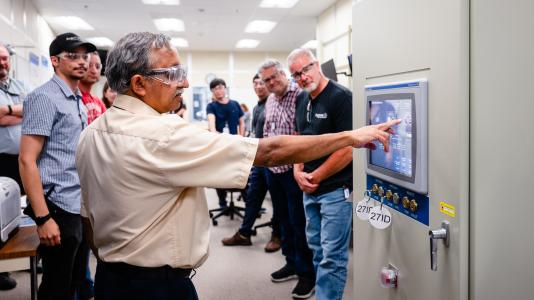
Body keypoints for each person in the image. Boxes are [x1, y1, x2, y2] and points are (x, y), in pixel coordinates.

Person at [74, 32, 398, 300]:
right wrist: (350, 137)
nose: (183, 84)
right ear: (139, 84)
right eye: (172, 74)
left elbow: (89, 219)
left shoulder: (90, 135)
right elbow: (269, 151)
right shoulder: (163, 134)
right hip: (156, 287)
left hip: (110, 279)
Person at [19, 32, 96, 300]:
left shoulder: (76, 99)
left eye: (85, 56)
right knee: (57, 286)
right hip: (57, 206)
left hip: (77, 203)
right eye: (72, 56)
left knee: (75, 279)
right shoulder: (45, 98)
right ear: (54, 61)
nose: (82, 62)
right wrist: (43, 218)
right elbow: (27, 160)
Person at [288, 48, 353, 300]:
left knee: (332, 257)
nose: (303, 77)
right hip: (309, 189)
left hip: (335, 190)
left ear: (317, 65)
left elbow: (349, 147)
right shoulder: (301, 99)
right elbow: (300, 140)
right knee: (316, 249)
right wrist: (297, 170)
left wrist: (317, 176)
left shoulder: (341, 97)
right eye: (296, 75)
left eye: (306, 69)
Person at [258, 58, 316, 299]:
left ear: (283, 74)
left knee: (299, 223)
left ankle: (307, 274)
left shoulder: (301, 95)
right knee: (282, 221)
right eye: (266, 80)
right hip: (274, 172)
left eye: (274, 77)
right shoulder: (270, 99)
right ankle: (291, 262)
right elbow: (268, 131)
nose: (271, 83)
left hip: (294, 172)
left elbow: (305, 134)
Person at [221, 74, 281, 253]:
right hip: (259, 161)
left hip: (274, 161)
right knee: (253, 197)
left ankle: (277, 235)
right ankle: (244, 233)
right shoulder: (256, 108)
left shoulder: (274, 104)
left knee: (277, 201)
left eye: (262, 83)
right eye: (255, 83)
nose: (259, 86)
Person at [77, 50, 106, 300]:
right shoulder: (77, 99)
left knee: (88, 243)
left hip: (96, 178)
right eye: (90, 64)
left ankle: (87, 288)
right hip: (76, 179)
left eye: (98, 65)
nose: (94, 68)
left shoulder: (97, 102)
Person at [0, 42, 28, 291]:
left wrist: (5, 112)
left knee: (16, 212)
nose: (2, 63)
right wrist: (18, 112)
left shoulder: (18, 86)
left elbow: (30, 110)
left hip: (18, 159)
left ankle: (23, 258)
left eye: (5, 58)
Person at [206, 78, 246, 208]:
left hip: (237, 146)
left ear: (225, 88)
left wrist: (241, 137)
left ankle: (249, 203)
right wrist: (223, 140)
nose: (218, 90)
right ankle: (222, 201)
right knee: (220, 176)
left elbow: (242, 122)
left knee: (241, 174)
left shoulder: (235, 104)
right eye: (215, 89)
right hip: (220, 146)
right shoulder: (211, 106)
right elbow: (212, 128)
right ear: (212, 92)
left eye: (220, 87)